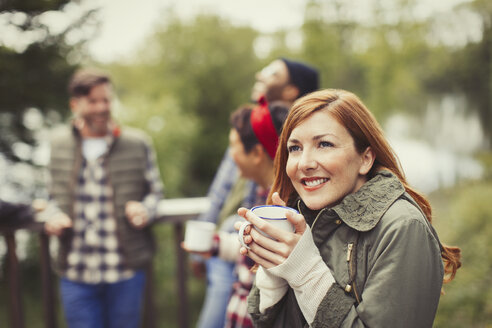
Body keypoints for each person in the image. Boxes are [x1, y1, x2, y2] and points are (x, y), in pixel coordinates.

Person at [237, 89, 462, 327]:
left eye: (324, 144)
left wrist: (305, 273)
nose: (304, 163)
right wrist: (274, 268)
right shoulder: (304, 217)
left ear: (365, 158)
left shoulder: (403, 227)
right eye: (295, 148)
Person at [194, 58, 319, 328]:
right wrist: (215, 245)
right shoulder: (267, 191)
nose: (232, 158)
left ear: (258, 153)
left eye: (234, 148)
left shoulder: (281, 207)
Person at [43, 68, 164, 328]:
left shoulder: (137, 142)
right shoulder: (57, 143)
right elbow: (49, 197)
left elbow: (156, 193)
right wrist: (53, 216)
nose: (101, 107)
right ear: (75, 104)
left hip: (126, 270)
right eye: (93, 101)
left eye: (106, 100)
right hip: (75, 271)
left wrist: (145, 209)